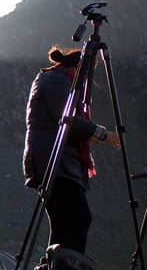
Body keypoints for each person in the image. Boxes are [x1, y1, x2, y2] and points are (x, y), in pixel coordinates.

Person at [22, 46, 121, 255]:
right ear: (78, 68)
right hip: (54, 162)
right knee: (77, 218)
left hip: (54, 161)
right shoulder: (57, 81)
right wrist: (103, 135)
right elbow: (66, 119)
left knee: (64, 222)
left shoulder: (56, 80)